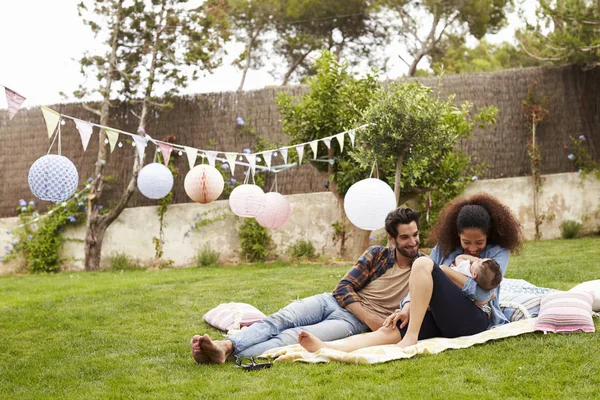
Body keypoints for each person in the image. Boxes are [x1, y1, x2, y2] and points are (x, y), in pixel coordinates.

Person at [190, 207, 424, 364]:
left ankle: (223, 353)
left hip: (351, 321)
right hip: (330, 301)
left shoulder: (423, 269)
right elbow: (343, 289)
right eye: (405, 237)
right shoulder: (378, 254)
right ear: (392, 239)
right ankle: (227, 344)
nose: (412, 242)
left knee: (291, 337)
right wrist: (373, 319)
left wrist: (371, 321)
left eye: (415, 235)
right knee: (278, 320)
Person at [298, 193, 523, 353]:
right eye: (466, 242)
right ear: (457, 234)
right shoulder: (444, 248)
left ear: (488, 235)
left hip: (473, 321)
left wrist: (444, 271)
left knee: (423, 263)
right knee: (397, 325)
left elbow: (484, 294)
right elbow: (421, 283)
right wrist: (406, 308)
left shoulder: (498, 253)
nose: (473, 248)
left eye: (479, 243)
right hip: (443, 317)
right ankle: (329, 348)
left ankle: (411, 339)